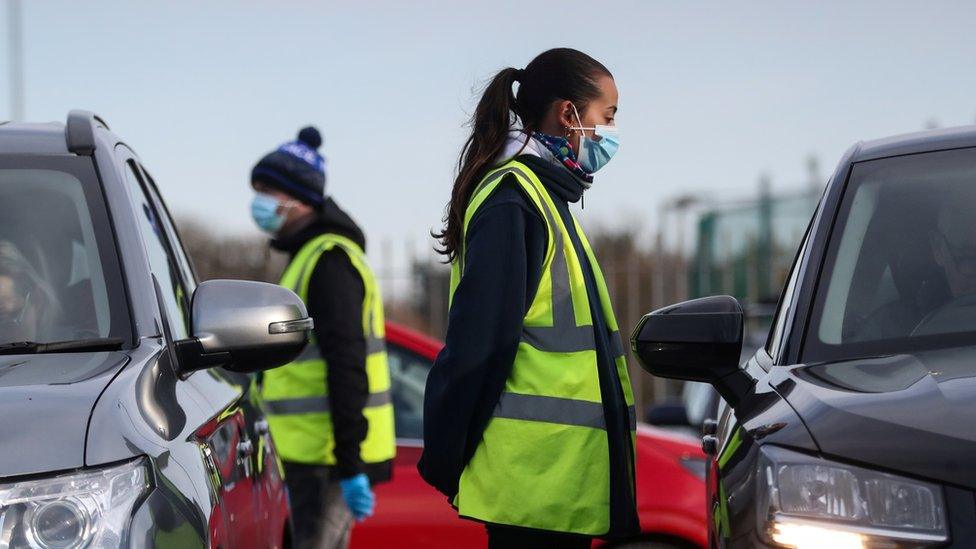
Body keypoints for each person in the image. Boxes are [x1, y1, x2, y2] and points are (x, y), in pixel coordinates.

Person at [419, 48, 638, 548]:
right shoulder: (513, 199)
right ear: (569, 114)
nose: (612, 129)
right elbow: (480, 343)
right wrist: (447, 456)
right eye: (609, 115)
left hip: (552, 485)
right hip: (533, 486)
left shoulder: (546, 198)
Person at [251, 127, 396, 549]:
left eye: (267, 190)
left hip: (327, 463)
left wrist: (350, 464)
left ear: (298, 197)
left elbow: (346, 363)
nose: (259, 202)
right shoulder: (306, 258)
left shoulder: (329, 262)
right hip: (307, 459)